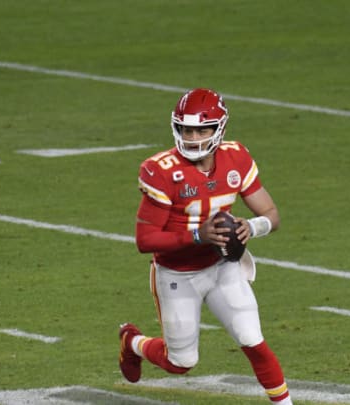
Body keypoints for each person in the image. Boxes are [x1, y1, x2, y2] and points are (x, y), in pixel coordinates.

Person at [119, 88, 293, 404]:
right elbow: (145, 241)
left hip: (222, 266)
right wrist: (198, 235)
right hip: (177, 273)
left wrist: (250, 227)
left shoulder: (235, 157)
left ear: (220, 128)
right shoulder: (161, 171)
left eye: (202, 128)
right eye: (186, 128)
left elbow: (272, 215)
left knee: (252, 339)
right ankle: (133, 343)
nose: (193, 136)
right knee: (181, 362)